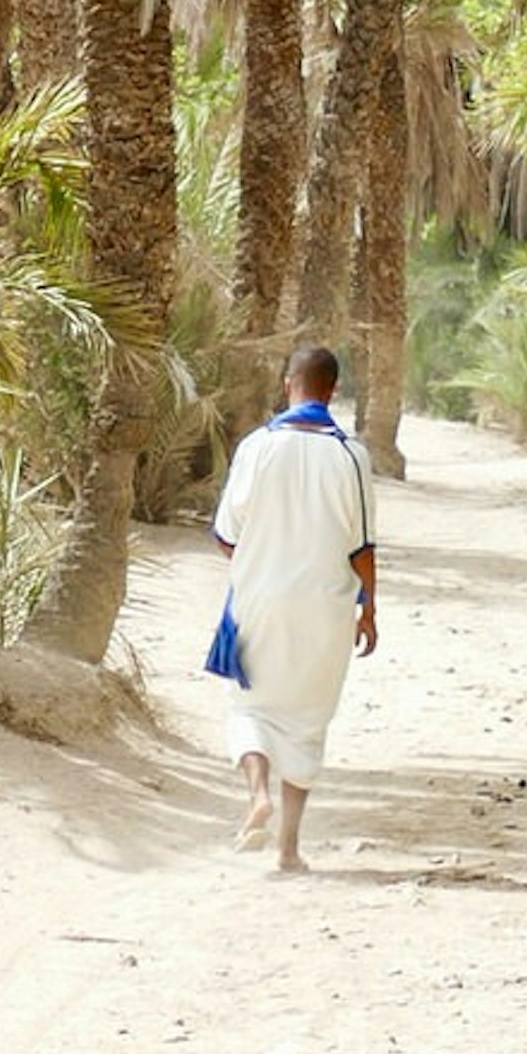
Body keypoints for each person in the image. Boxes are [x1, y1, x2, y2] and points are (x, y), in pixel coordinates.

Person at [211, 343, 379, 869]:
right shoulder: (352, 455)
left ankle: (257, 794)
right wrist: (368, 609)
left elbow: (226, 535)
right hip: (325, 608)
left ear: (289, 383)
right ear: (333, 390)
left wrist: (260, 558)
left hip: (258, 601)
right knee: (307, 722)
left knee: (250, 708)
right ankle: (287, 848)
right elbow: (363, 548)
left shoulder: (256, 446)